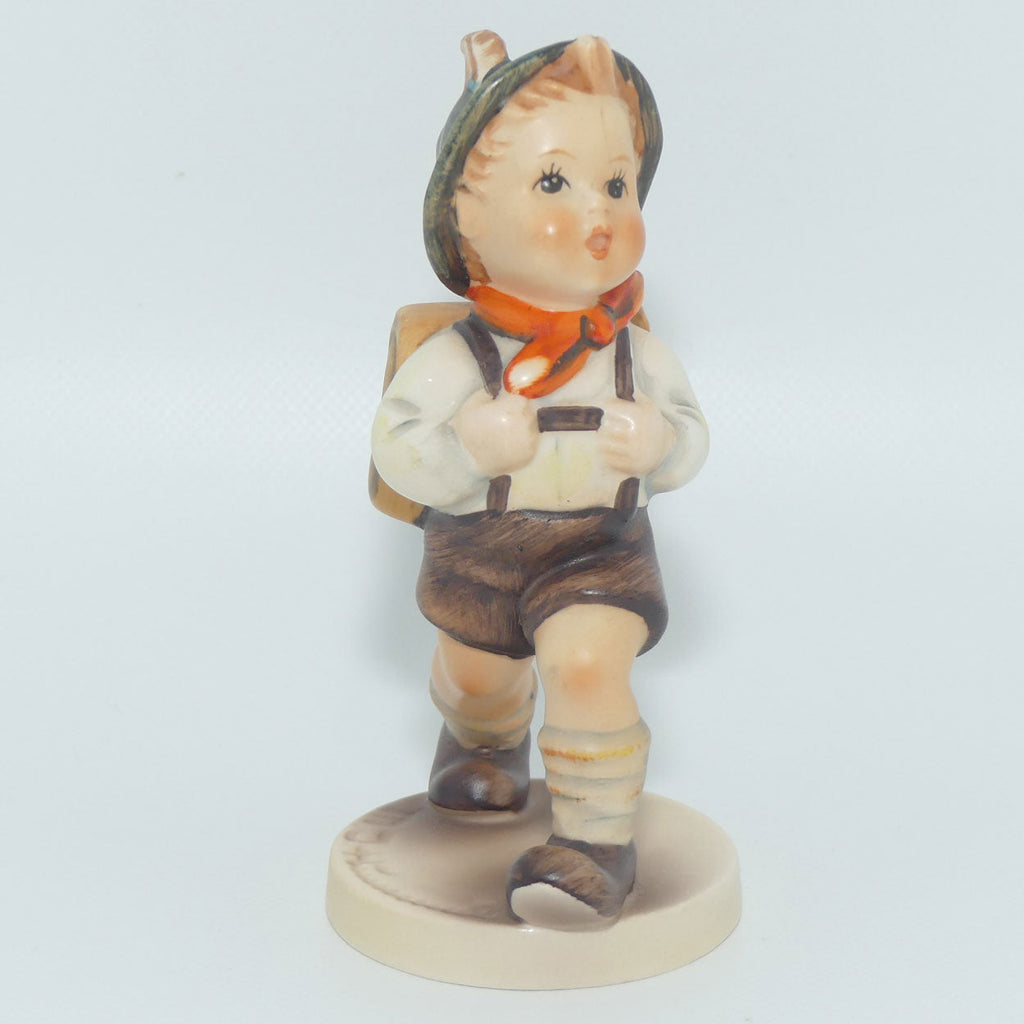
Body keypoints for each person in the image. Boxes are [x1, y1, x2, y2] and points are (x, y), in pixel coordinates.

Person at [371, 30, 709, 928]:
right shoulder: (457, 358)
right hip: (480, 553)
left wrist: (662, 444)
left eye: (617, 185)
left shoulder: (638, 354)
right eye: (554, 182)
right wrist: (466, 449)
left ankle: (595, 845)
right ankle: (484, 742)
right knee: (479, 677)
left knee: (587, 663)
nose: (598, 211)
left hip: (599, 551)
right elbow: (397, 446)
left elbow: (691, 436)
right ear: (467, 217)